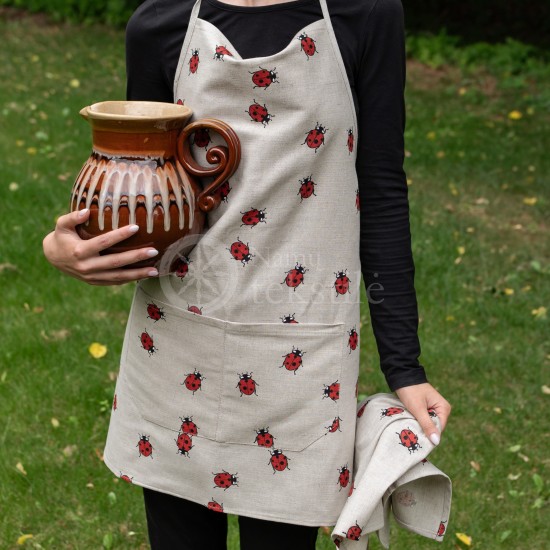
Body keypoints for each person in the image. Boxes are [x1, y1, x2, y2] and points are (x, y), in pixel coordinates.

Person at [42, 0, 452, 548]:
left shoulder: (366, 14)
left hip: (303, 356)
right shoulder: (159, 24)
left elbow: (379, 188)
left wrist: (405, 366)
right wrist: (64, 244)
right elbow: (135, 180)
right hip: (177, 342)